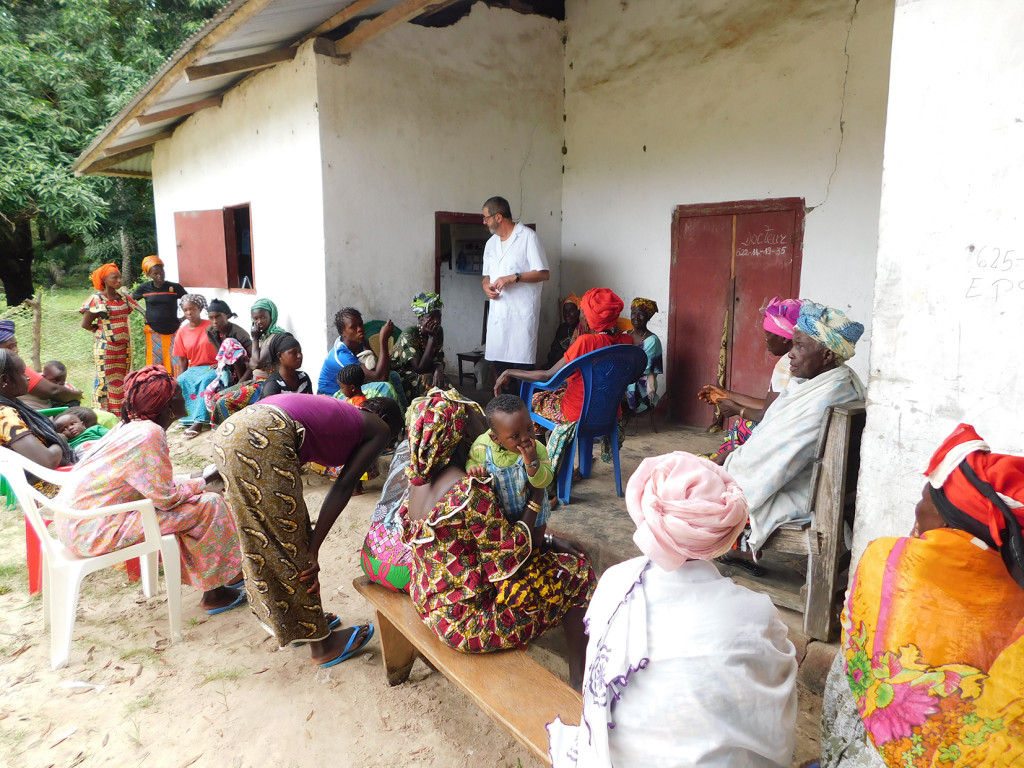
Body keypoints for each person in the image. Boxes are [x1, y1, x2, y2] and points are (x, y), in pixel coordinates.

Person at [548, 451, 798, 767]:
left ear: (644, 513)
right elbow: (773, 717)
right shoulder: (757, 616)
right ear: (724, 532)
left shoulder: (615, 582)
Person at [821, 423, 1024, 768]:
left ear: (949, 520)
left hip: (872, 752)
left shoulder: (889, 563)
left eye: (923, 498)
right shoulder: (1011, 586)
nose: (916, 508)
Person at [401, 389, 595, 688]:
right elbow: (510, 558)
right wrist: (539, 491)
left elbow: (478, 539)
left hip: (429, 599)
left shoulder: (418, 478)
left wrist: (549, 540)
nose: (482, 430)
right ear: (461, 436)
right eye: (475, 423)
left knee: (550, 560)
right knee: (578, 573)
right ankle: (580, 681)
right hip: (465, 624)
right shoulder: (468, 489)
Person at [212, 393, 403, 666]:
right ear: (388, 423)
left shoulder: (340, 415)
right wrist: (313, 548)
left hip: (230, 432)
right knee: (293, 539)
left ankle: (296, 623)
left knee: (262, 535)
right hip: (263, 434)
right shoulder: (379, 428)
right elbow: (343, 486)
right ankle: (322, 645)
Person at [54, 366, 244, 614]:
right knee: (208, 504)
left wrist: (191, 479)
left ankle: (225, 575)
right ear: (167, 405)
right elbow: (166, 499)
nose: (183, 395)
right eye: (178, 393)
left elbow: (147, 483)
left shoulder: (130, 426)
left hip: (76, 523)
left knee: (198, 499)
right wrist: (204, 480)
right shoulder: (150, 433)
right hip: (93, 530)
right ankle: (216, 593)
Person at [721, 301, 865, 553]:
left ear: (827, 355)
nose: (791, 353)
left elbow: (770, 461)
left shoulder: (825, 399)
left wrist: (725, 470)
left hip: (804, 494)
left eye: (799, 346)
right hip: (812, 482)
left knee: (690, 491)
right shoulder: (833, 384)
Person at [496, 287, 632, 425]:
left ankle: (542, 445)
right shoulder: (626, 342)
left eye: (583, 310)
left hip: (578, 412)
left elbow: (548, 375)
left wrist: (509, 372)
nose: (581, 315)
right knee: (560, 390)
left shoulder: (586, 342)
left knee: (536, 400)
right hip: (610, 413)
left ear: (589, 316)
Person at [698, 296, 803, 457]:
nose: (765, 339)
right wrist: (727, 395)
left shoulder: (787, 364)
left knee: (744, 425)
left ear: (783, 338)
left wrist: (734, 407)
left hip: (786, 435)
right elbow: (771, 404)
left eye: (768, 334)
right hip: (794, 427)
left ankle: (725, 464)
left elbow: (766, 414)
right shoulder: (802, 360)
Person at [480, 196, 550, 382]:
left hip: (521, 318)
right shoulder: (491, 244)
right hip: (498, 318)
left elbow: (543, 274)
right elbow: (487, 276)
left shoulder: (528, 237)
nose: (484, 222)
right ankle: (501, 409)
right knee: (499, 370)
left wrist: (515, 277)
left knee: (521, 372)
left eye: (486, 217)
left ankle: (522, 409)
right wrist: (486, 286)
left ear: (499, 217)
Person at [466, 394, 554, 526]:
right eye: (515, 436)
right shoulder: (481, 447)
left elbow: (544, 482)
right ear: (496, 438)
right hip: (501, 515)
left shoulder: (537, 449)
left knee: (536, 540)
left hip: (534, 514)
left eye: (530, 429)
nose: (525, 438)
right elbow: (471, 460)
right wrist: (473, 468)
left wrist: (532, 462)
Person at [207, 298, 285, 424]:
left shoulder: (274, 337)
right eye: (255, 319)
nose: (259, 322)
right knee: (216, 396)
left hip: (267, 383)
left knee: (224, 401)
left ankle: (230, 429)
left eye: (263, 317)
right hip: (255, 381)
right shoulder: (263, 336)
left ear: (272, 315)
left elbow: (256, 364)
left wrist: (254, 338)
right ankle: (229, 428)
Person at [80, 263, 144, 415]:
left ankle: (121, 412)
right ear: (104, 280)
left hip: (124, 348)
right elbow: (85, 324)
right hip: (106, 349)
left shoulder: (124, 298)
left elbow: (140, 310)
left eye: (120, 277)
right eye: (114, 278)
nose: (119, 280)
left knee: (122, 380)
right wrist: (98, 330)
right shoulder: (96, 300)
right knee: (105, 381)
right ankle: (103, 413)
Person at [0, 350, 75, 472]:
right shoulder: (5, 415)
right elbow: (47, 461)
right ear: (4, 380)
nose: (28, 377)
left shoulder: (10, 405)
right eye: (22, 373)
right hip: (43, 486)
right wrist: (60, 439)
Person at [316, 307, 396, 398]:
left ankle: (405, 410)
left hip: (351, 388)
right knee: (384, 387)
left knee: (394, 376)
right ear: (343, 332)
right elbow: (380, 378)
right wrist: (383, 340)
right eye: (353, 327)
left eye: (361, 324)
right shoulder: (342, 355)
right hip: (332, 396)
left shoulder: (358, 342)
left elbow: (375, 367)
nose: (360, 329)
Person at [0, 323, 83, 408]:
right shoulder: (12, 367)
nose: (16, 350)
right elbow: (53, 391)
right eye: (10, 347)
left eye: (15, 345)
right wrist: (77, 394)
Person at [172, 294, 218, 438]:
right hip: (195, 367)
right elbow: (182, 359)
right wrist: (178, 378)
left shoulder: (211, 326)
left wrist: (220, 362)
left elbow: (224, 347)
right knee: (182, 381)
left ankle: (198, 422)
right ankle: (186, 419)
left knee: (205, 381)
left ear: (200, 308)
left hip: (213, 366)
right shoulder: (182, 331)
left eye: (193, 309)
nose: (189, 313)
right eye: (185, 310)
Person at [131, 255, 187, 370]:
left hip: (174, 331)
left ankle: (176, 386)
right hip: (153, 332)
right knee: (156, 365)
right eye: (155, 274)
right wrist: (143, 312)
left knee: (176, 363)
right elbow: (129, 300)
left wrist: (184, 317)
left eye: (161, 272)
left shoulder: (174, 287)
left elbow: (190, 301)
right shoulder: (145, 288)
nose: (159, 275)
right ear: (149, 275)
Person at [391, 292, 448, 402]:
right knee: (427, 381)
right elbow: (418, 368)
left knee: (442, 380)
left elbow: (438, 358)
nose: (436, 321)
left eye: (439, 317)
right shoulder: (410, 333)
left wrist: (439, 367)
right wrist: (432, 338)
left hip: (424, 369)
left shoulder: (438, 331)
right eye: (431, 317)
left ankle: (452, 410)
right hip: (401, 372)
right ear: (421, 318)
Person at [624, 297, 664, 414]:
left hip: (643, 380)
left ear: (648, 317)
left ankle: (635, 406)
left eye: (641, 314)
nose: (636, 317)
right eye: (633, 313)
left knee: (624, 387)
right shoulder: (624, 335)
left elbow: (646, 369)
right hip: (624, 375)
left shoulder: (652, 340)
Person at [546, 293, 582, 367]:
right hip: (558, 367)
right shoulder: (562, 329)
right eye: (565, 311)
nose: (567, 314)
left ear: (579, 311)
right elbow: (554, 351)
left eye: (571, 310)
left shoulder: (584, 330)